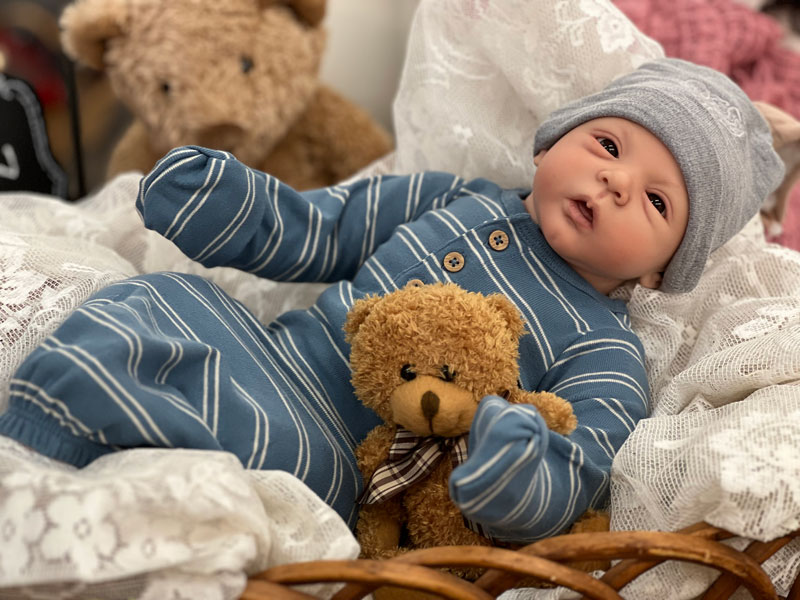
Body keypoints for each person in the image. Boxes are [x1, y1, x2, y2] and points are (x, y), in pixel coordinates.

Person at [0, 58, 783, 541]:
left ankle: (102, 509)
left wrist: (516, 466)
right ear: (551, 143)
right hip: (275, 347)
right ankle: (31, 448)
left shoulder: (604, 348)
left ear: (661, 272)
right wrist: (227, 204)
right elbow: (316, 229)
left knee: (249, 449)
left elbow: (579, 464)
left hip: (338, 450)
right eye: (608, 145)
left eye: (656, 201)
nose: (614, 182)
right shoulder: (452, 198)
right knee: (162, 302)